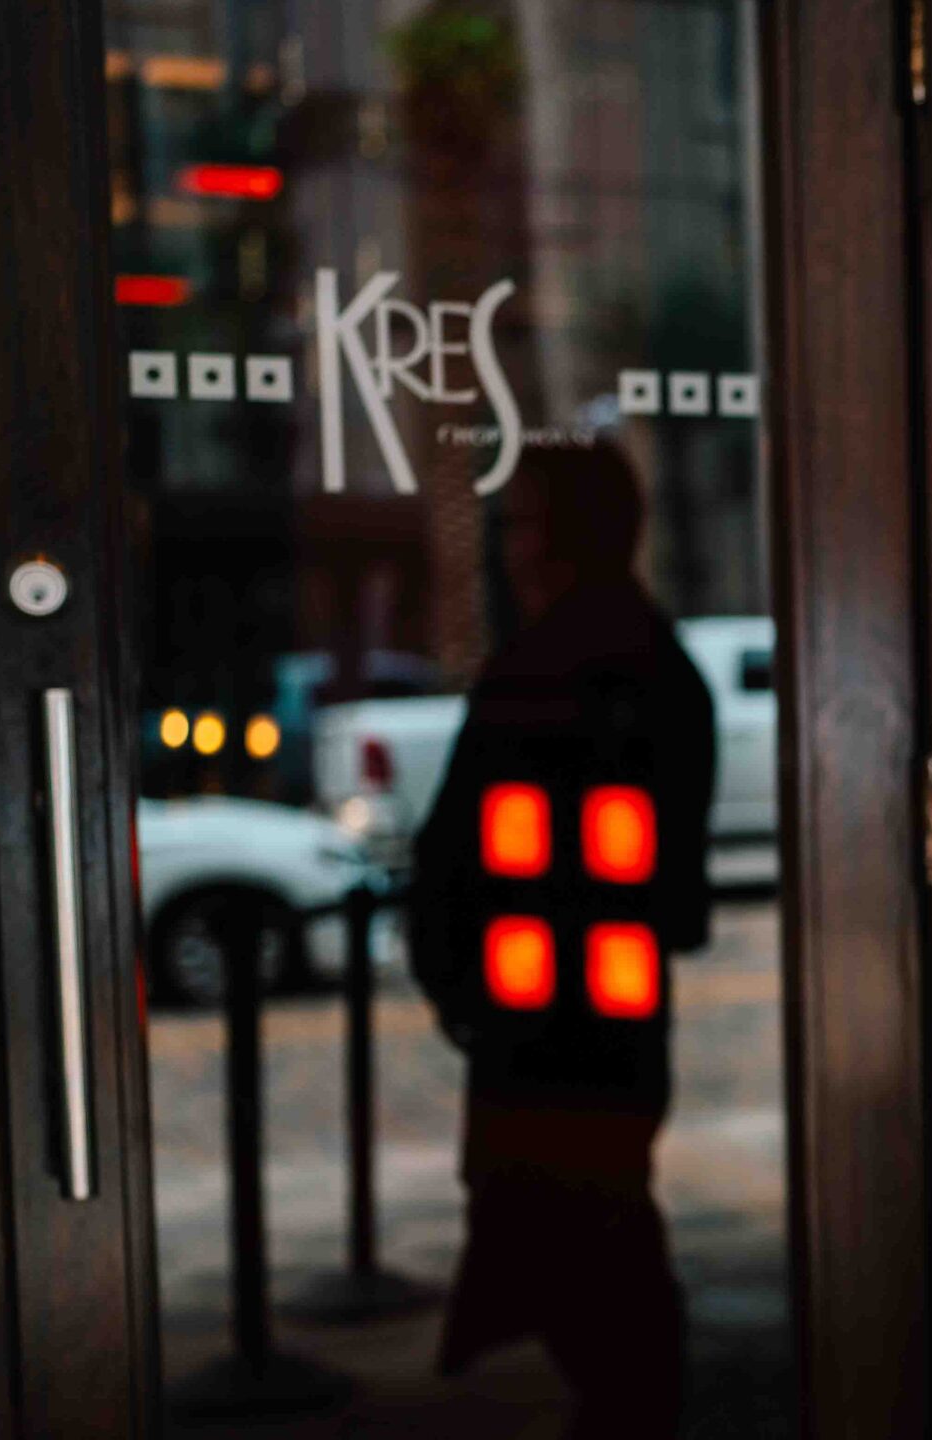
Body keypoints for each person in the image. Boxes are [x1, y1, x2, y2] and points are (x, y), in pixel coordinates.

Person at [409, 439, 717, 1439]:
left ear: (573, 537)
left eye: (526, 526)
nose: (511, 550)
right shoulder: (658, 668)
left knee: (586, 1258)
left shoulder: (541, 672)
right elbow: (677, 900)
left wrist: (458, 979)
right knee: (605, 1246)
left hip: (543, 1031)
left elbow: (460, 854)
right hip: (598, 1027)